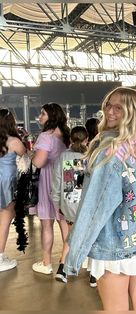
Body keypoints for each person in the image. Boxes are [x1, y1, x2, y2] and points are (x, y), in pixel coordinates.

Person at [64, 87, 136, 311]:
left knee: (115, 310)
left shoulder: (109, 151)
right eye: (108, 105)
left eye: (118, 107)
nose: (109, 111)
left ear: (132, 112)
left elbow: (95, 206)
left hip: (114, 244)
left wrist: (73, 253)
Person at [31, 103, 70, 275]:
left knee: (47, 224)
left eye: (43, 114)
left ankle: (46, 262)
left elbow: (39, 162)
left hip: (49, 181)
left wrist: (31, 156)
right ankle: (66, 262)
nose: (39, 117)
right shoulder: (65, 135)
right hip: (65, 181)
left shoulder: (46, 136)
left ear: (52, 116)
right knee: (65, 224)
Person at [51, 126, 88, 283]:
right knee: (92, 237)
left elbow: (56, 183)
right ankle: (93, 275)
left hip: (68, 205)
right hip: (86, 204)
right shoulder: (90, 156)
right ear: (87, 140)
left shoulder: (63, 157)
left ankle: (62, 268)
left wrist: (57, 203)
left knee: (71, 235)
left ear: (71, 140)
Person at [0, 109, 26, 272]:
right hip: (6, 183)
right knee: (4, 221)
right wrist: (23, 137)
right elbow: (25, 153)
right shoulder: (13, 141)